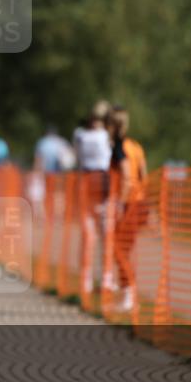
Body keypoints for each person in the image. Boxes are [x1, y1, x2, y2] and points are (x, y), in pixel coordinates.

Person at [109, 107, 148, 312]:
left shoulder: (119, 147)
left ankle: (129, 295)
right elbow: (143, 174)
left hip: (128, 203)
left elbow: (126, 175)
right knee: (123, 249)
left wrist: (119, 203)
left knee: (119, 249)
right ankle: (128, 294)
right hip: (140, 202)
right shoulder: (136, 146)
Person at [73, 104, 112, 294]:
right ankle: (97, 278)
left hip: (92, 181)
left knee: (96, 235)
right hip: (97, 181)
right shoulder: (99, 135)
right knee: (99, 234)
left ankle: (95, 278)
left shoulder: (81, 134)